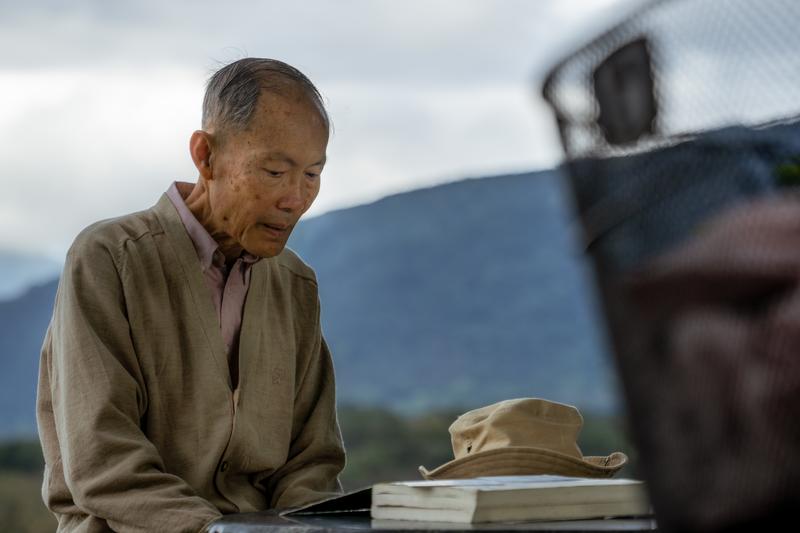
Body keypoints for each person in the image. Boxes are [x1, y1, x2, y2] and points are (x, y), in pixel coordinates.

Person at [36, 58, 346, 532]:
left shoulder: (295, 284)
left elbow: (313, 463)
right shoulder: (110, 259)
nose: (295, 198)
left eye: (312, 174)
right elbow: (103, 461)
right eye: (275, 171)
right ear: (205, 156)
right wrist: (215, 530)